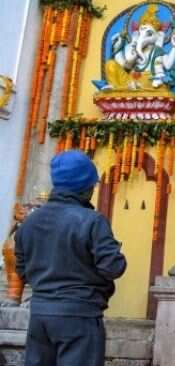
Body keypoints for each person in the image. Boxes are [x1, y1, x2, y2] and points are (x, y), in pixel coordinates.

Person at [15, 151, 127, 366]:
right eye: (92, 186)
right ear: (84, 188)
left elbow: (22, 270)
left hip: (40, 315)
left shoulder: (30, 222)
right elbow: (113, 268)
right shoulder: (92, 221)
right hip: (79, 316)